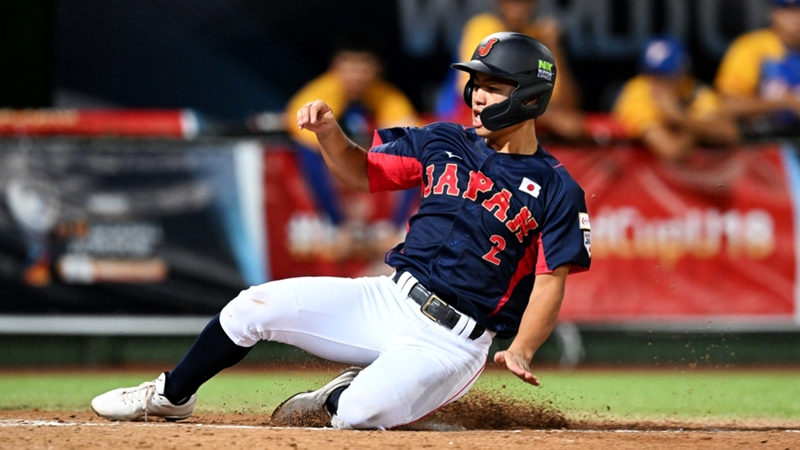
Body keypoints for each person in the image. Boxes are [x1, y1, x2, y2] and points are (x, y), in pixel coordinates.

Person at [89, 32, 592, 430]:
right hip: (388, 298)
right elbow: (362, 173)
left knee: (357, 415)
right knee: (250, 307)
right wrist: (330, 135)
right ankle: (170, 395)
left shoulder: (555, 187)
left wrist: (522, 347)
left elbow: (551, 281)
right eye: (477, 82)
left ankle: (341, 395)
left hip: (453, 343)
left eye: (494, 85)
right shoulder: (444, 140)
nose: (478, 95)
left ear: (527, 96)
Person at [285, 32, 421, 261]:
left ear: (377, 68)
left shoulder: (388, 98)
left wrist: (396, 225)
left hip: (379, 226)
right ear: (335, 66)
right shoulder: (318, 94)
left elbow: (414, 156)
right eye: (349, 66)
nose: (356, 75)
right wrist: (338, 223)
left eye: (363, 66)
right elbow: (307, 153)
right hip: (324, 222)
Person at [438, 0, 586, 141]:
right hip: (469, 134)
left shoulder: (539, 37)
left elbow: (568, 108)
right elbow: (482, 96)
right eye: (510, 0)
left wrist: (555, 49)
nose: (517, 6)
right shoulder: (483, 28)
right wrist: (548, 117)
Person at [611, 37, 741, 164]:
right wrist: (698, 126)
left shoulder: (692, 90)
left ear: (682, 72)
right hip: (633, 177)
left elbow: (731, 134)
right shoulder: (636, 94)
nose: (657, 82)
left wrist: (680, 119)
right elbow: (672, 152)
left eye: (665, 75)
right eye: (651, 74)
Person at [714, 0, 800, 135]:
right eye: (788, 11)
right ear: (773, 13)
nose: (796, 18)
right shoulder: (751, 47)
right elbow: (728, 106)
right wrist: (787, 103)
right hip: (760, 142)